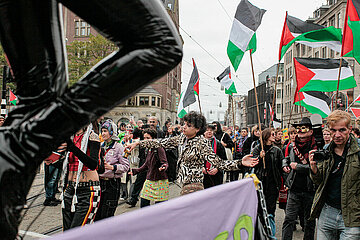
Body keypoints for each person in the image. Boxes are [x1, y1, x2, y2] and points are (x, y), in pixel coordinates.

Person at [0, 0, 182, 237]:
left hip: (87, 187)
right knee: (161, 45)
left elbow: (98, 163)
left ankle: (20, 145)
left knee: (40, 98)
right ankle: (21, 144)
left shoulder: (96, 138)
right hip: (72, 187)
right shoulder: (87, 137)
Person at [127, 111, 259, 195]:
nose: (184, 127)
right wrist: (138, 143)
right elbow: (160, 143)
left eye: (188, 125)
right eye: (184, 124)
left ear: (197, 129)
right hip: (184, 184)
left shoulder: (201, 143)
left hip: (194, 186)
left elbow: (220, 163)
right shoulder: (181, 138)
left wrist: (241, 162)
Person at [309, 110, 360, 239]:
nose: (337, 135)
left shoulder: (358, 151)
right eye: (333, 130)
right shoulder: (325, 150)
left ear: (350, 129)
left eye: (342, 130)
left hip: (352, 216)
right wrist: (313, 167)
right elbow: (318, 180)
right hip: (327, 212)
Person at [61, 122, 103, 231]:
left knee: (78, 232)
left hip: (88, 190)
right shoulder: (71, 137)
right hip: (70, 189)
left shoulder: (92, 136)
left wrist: (73, 148)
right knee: (67, 232)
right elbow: (65, 165)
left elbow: (93, 164)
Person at [281, 117, 316, 240]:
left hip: (310, 189)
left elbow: (316, 167)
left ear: (311, 131)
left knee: (309, 222)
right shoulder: (292, 145)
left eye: (304, 128)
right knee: (289, 219)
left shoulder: (316, 146)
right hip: (294, 188)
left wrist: (298, 167)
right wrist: (285, 164)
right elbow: (287, 159)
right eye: (299, 128)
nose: (300, 131)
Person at [95, 120, 129, 220]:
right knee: (97, 214)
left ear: (112, 132)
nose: (103, 133)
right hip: (99, 183)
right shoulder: (99, 146)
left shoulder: (119, 147)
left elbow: (126, 166)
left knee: (107, 214)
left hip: (112, 184)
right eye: (102, 131)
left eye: (105, 131)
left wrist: (113, 168)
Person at [130, 128, 169, 207]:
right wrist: (135, 171)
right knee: (143, 202)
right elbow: (147, 164)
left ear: (153, 139)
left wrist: (163, 167)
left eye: (148, 138)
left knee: (160, 207)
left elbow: (165, 162)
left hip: (160, 181)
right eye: (144, 138)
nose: (145, 140)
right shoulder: (148, 149)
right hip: (149, 180)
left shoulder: (159, 147)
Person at [202, 124, 227, 188]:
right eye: (207, 130)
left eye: (211, 130)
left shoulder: (218, 144)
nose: (209, 132)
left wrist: (217, 168)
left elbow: (223, 159)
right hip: (203, 174)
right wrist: (201, 168)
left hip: (216, 174)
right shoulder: (199, 144)